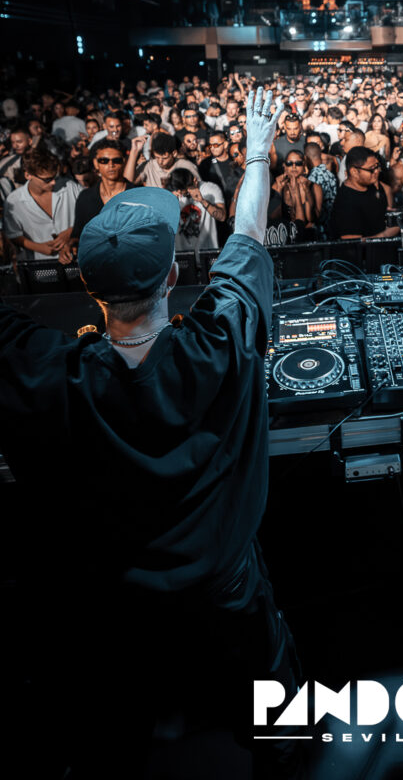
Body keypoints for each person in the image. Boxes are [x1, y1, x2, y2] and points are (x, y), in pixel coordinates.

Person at [0, 87, 303, 779]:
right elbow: (248, 234)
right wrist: (258, 151)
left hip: (115, 594)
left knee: (123, 726)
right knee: (272, 703)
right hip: (226, 580)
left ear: (88, 285)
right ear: (172, 274)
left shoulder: (55, 372)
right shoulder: (219, 342)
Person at [3, 147, 81, 263]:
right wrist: (39, 248)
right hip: (39, 265)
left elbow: (91, 214)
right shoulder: (14, 201)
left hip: (76, 262)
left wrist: (72, 231)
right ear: (28, 175)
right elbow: (13, 234)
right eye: (47, 180)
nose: (53, 182)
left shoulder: (70, 187)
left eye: (54, 177)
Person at [70, 138, 138, 246]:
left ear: (124, 162)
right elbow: (78, 234)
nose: (111, 165)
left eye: (116, 160)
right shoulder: (85, 198)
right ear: (96, 163)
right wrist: (70, 246)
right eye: (104, 161)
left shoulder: (138, 197)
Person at [330, 146, 400, 239]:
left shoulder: (371, 186)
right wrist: (386, 234)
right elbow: (352, 242)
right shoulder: (346, 203)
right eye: (371, 169)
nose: (377, 171)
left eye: (377, 166)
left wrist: (385, 212)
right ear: (354, 172)